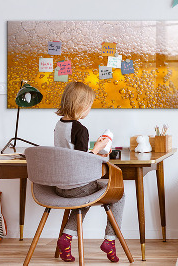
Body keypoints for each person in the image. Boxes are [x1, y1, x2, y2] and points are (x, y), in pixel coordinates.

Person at [54, 81, 125, 263]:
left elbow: (72, 154)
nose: (89, 111)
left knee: (84, 198)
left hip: (60, 186)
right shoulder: (80, 129)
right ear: (80, 106)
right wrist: (98, 149)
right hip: (77, 186)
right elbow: (82, 161)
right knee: (118, 193)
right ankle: (110, 240)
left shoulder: (59, 125)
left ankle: (66, 238)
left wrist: (96, 150)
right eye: (89, 107)